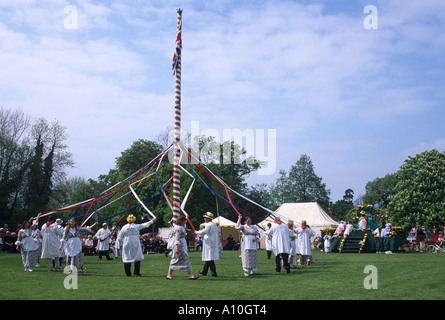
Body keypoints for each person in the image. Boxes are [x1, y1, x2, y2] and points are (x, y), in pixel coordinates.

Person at [166, 215, 199, 280]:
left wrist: (186, 217)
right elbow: (177, 238)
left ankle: (169, 274)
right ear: (182, 221)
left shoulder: (178, 227)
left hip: (180, 243)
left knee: (176, 259)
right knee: (183, 258)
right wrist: (177, 247)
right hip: (179, 245)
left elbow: (183, 225)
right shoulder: (179, 228)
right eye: (184, 221)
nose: (185, 222)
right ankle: (190, 275)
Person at [195, 212, 220, 277]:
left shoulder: (209, 225)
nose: (204, 219)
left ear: (208, 219)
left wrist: (197, 232)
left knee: (209, 258)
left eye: (205, 218)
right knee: (208, 257)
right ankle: (204, 271)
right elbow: (217, 230)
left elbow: (204, 231)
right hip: (211, 242)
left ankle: (213, 273)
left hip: (209, 242)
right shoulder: (214, 224)